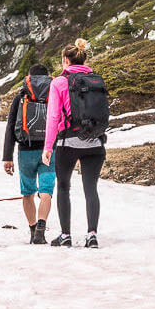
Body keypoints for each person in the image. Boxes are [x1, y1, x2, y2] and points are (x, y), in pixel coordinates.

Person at [42, 39, 111, 249]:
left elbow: (53, 117)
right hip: (95, 142)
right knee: (91, 188)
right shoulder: (95, 81)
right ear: (84, 59)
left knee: (63, 186)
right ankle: (92, 234)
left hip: (68, 141)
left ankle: (65, 235)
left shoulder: (59, 83)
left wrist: (47, 146)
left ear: (65, 60)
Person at [1, 63, 56, 244]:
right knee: (46, 191)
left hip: (26, 150)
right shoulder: (54, 94)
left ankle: (33, 230)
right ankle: (41, 228)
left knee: (28, 193)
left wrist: (7, 157)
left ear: (29, 77)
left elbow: (10, 127)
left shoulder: (21, 96)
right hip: (48, 150)